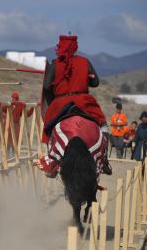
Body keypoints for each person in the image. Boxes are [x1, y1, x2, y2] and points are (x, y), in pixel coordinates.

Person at [41, 34, 111, 175]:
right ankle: (104, 160)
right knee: (103, 126)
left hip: (60, 103)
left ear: (59, 47)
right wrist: (86, 79)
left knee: (49, 129)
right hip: (83, 101)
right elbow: (95, 82)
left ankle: (52, 164)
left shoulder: (55, 64)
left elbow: (47, 87)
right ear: (75, 47)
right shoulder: (85, 62)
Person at [2, 92, 34, 157]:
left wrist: (32, 108)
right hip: (7, 127)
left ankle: (13, 158)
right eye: (13, 98)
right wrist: (4, 105)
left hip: (15, 128)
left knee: (14, 145)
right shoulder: (8, 105)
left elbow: (26, 114)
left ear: (18, 99)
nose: (14, 100)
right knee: (6, 145)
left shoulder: (20, 106)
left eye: (16, 99)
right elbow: (2, 109)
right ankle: (6, 159)